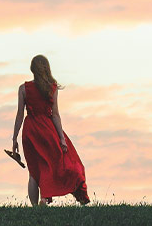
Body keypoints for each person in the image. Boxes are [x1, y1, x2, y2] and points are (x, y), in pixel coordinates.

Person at [10, 54, 91, 205]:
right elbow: (56, 115)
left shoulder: (23, 89)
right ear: (47, 69)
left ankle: (36, 207)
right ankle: (45, 198)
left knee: (33, 171)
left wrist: (14, 139)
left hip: (30, 130)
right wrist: (61, 138)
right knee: (53, 164)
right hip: (47, 130)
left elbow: (20, 115)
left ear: (32, 69)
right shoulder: (52, 88)